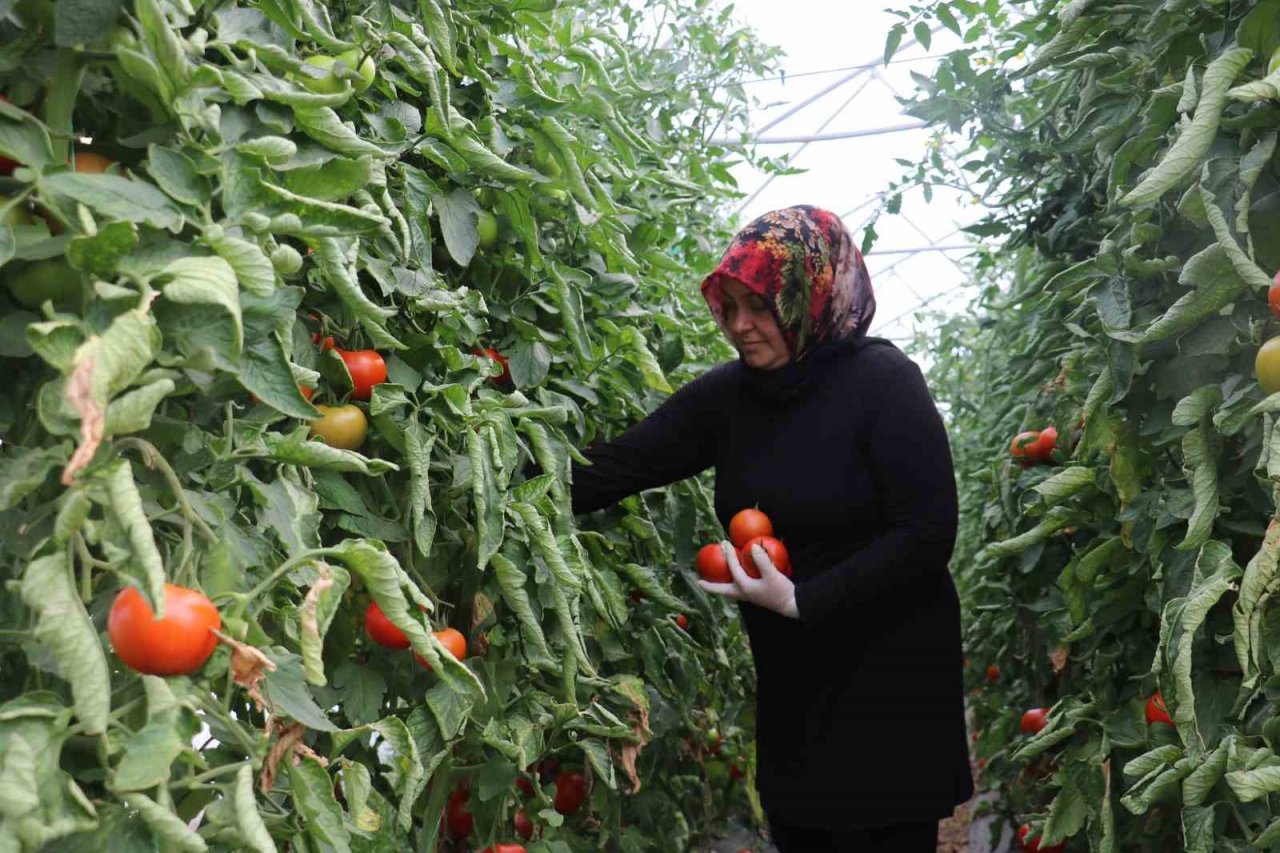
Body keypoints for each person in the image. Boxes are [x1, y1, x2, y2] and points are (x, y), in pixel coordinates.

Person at [569, 205, 973, 851]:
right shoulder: (729, 398)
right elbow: (621, 465)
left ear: (811, 295)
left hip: (891, 676)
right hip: (797, 678)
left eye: (759, 306)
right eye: (727, 307)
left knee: (883, 833)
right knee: (804, 828)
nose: (740, 326)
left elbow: (927, 531)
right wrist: (494, 479)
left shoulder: (883, 382)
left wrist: (804, 597)